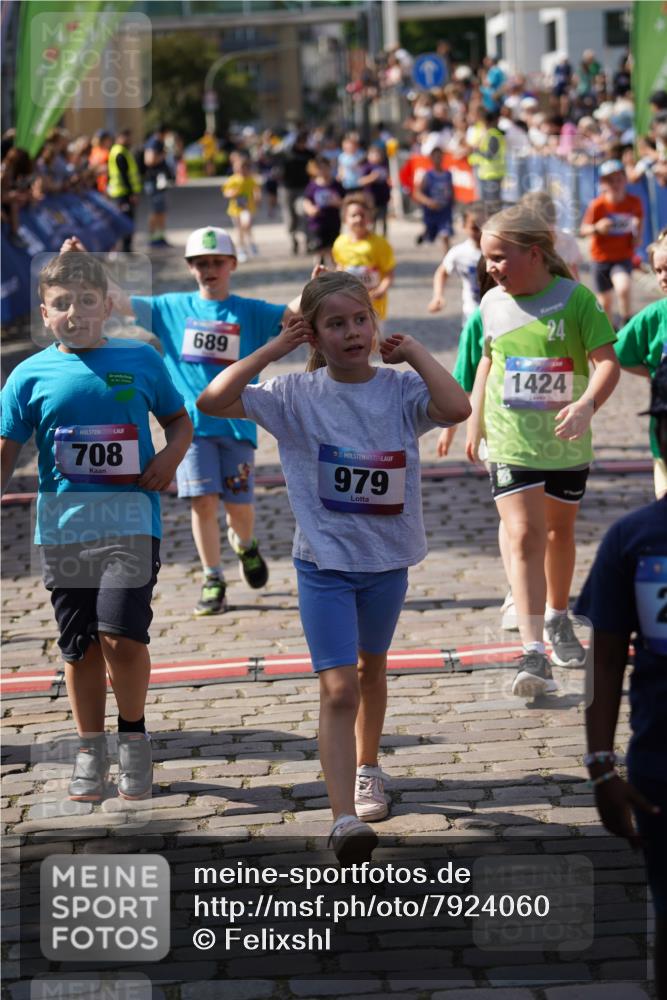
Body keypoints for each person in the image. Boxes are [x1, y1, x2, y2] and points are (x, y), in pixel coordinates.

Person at [196, 271, 471, 862]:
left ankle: (370, 766)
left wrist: (418, 352)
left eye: (360, 319)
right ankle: (344, 816)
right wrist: (274, 349)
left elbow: (456, 406)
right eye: (336, 324)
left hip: (386, 562)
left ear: (374, 323)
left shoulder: (399, 391)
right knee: (339, 685)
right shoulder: (295, 396)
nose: (352, 332)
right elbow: (213, 401)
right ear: (315, 337)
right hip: (322, 563)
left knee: (372, 671)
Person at [0, 250, 192, 801]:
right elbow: (7, 449)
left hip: (132, 522)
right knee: (80, 647)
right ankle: (90, 749)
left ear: (107, 305)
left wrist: (170, 458)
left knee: (120, 634)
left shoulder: (141, 359)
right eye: (62, 304)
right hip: (63, 530)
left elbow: (179, 422)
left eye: (87, 301)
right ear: (44, 312)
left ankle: (133, 742)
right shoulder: (28, 374)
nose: (75, 312)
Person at [80, 226, 301, 617]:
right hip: (191, 428)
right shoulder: (170, 307)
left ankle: (245, 544)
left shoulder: (250, 310)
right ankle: (213, 577)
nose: (209, 269)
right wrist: (87, 261)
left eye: (217, 261)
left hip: (237, 424)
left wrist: (314, 289)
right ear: (190, 267)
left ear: (232, 264)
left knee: (240, 507)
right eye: (201, 263)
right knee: (202, 502)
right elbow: (119, 301)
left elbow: (292, 314)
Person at [465, 205, 620, 695]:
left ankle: (557, 616)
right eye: (487, 257)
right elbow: (487, 361)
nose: (491, 266)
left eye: (499, 256)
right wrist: (474, 419)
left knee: (558, 534)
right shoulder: (491, 303)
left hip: (565, 441)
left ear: (534, 253)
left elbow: (606, 363)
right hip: (510, 439)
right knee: (525, 534)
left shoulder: (577, 300)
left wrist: (586, 405)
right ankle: (532, 655)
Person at [575, 360, 667, 1000]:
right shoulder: (633, 541)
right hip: (662, 769)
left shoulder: (632, 539)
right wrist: (603, 768)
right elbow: (604, 660)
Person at [614, 228, 667, 498]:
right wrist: (654, 373)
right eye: (658, 271)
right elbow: (617, 352)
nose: (663, 277)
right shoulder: (655, 316)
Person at [580, 158, 643, 327]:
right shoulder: (598, 205)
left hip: (622, 256)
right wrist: (597, 228)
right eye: (610, 180)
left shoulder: (634, 202)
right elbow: (583, 229)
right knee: (605, 303)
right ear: (602, 183)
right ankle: (610, 334)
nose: (615, 183)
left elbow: (638, 230)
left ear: (625, 179)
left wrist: (637, 235)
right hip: (600, 258)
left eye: (618, 179)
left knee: (623, 287)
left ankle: (627, 324)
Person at [332, 193, 396, 328]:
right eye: (354, 215)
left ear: (369, 217)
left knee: (374, 344)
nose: (358, 219)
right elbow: (339, 267)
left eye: (362, 215)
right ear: (345, 218)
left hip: (375, 307)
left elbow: (389, 273)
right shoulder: (339, 243)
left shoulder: (379, 244)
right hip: (348, 305)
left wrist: (381, 290)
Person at [428, 208, 482, 319]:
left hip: (497, 311)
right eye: (474, 228)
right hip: (471, 313)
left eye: (484, 227)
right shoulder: (459, 252)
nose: (480, 231)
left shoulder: (498, 250)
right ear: (464, 226)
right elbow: (441, 272)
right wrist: (438, 296)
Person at [302, 155, 344, 266]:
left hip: (333, 221)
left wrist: (337, 202)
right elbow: (306, 200)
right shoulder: (312, 186)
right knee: (319, 249)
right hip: (317, 223)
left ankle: (335, 273)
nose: (323, 171)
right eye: (320, 168)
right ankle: (318, 273)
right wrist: (310, 209)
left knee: (333, 249)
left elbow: (344, 201)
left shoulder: (336, 185)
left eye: (326, 168)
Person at [412, 146, 454, 253]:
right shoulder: (428, 175)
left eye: (440, 157)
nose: (438, 159)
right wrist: (428, 202)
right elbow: (417, 193)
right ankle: (425, 234)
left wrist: (452, 204)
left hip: (444, 212)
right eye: (435, 157)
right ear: (431, 159)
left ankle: (447, 260)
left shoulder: (448, 174)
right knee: (431, 235)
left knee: (445, 235)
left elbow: (451, 191)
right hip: (431, 213)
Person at [222, 152, 262, 263]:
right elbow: (226, 192)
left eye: (243, 168)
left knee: (246, 225)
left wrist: (258, 198)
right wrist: (231, 193)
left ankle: (251, 244)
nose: (241, 170)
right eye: (238, 168)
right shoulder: (233, 180)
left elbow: (256, 190)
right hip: (235, 209)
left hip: (247, 208)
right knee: (239, 230)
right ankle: (241, 249)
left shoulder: (251, 179)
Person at [107, 128, 142, 252]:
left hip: (122, 193)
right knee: (126, 221)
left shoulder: (122, 151)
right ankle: (125, 249)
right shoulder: (119, 153)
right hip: (123, 194)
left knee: (127, 221)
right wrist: (132, 193)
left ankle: (127, 248)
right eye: (127, 137)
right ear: (120, 137)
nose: (129, 140)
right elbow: (124, 175)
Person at [143, 125, 172, 248]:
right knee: (155, 210)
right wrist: (163, 155)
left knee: (161, 210)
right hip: (154, 181)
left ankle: (160, 237)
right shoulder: (153, 143)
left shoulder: (157, 142)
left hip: (159, 182)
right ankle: (152, 237)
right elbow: (149, 160)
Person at [359, 144, 391, 237]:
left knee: (383, 220)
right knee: (373, 220)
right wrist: (372, 178)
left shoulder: (384, 165)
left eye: (379, 154)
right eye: (374, 154)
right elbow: (361, 181)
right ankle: (372, 238)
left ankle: (384, 239)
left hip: (383, 197)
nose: (377, 156)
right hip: (371, 198)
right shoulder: (367, 167)